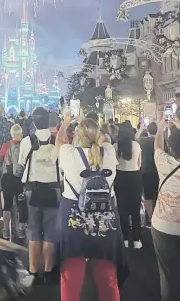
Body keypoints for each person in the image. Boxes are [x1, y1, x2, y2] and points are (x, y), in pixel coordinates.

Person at [55, 110, 128, 301]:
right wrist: (91, 124)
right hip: (105, 221)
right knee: (107, 278)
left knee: (71, 278)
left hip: (74, 220)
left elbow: (59, 141)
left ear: (78, 136)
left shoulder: (69, 154)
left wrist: (66, 122)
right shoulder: (109, 153)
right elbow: (104, 139)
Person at [19, 107, 60, 284]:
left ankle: (33, 270)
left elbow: (21, 163)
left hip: (32, 189)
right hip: (54, 189)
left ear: (34, 122)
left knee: (34, 230)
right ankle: (49, 270)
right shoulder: (57, 141)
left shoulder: (27, 141)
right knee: (50, 232)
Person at [151, 118, 180, 301]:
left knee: (168, 275)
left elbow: (157, 146)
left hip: (164, 225)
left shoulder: (164, 162)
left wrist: (161, 129)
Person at [114, 123, 143, 248]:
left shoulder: (115, 146)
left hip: (120, 177)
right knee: (135, 208)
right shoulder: (136, 145)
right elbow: (139, 163)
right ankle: (136, 240)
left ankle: (125, 239)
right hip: (135, 177)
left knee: (122, 209)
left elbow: (115, 163)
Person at [0, 124, 25, 240]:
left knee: (7, 205)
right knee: (21, 204)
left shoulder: (6, 145)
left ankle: (5, 230)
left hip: (7, 178)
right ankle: (21, 230)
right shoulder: (25, 146)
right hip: (21, 178)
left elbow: (1, 158)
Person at [137, 121, 159, 224]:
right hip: (158, 171)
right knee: (156, 194)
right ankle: (156, 215)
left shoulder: (142, 141)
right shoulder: (160, 142)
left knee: (148, 196)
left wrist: (141, 129)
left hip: (145, 171)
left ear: (148, 130)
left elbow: (133, 139)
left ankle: (150, 218)